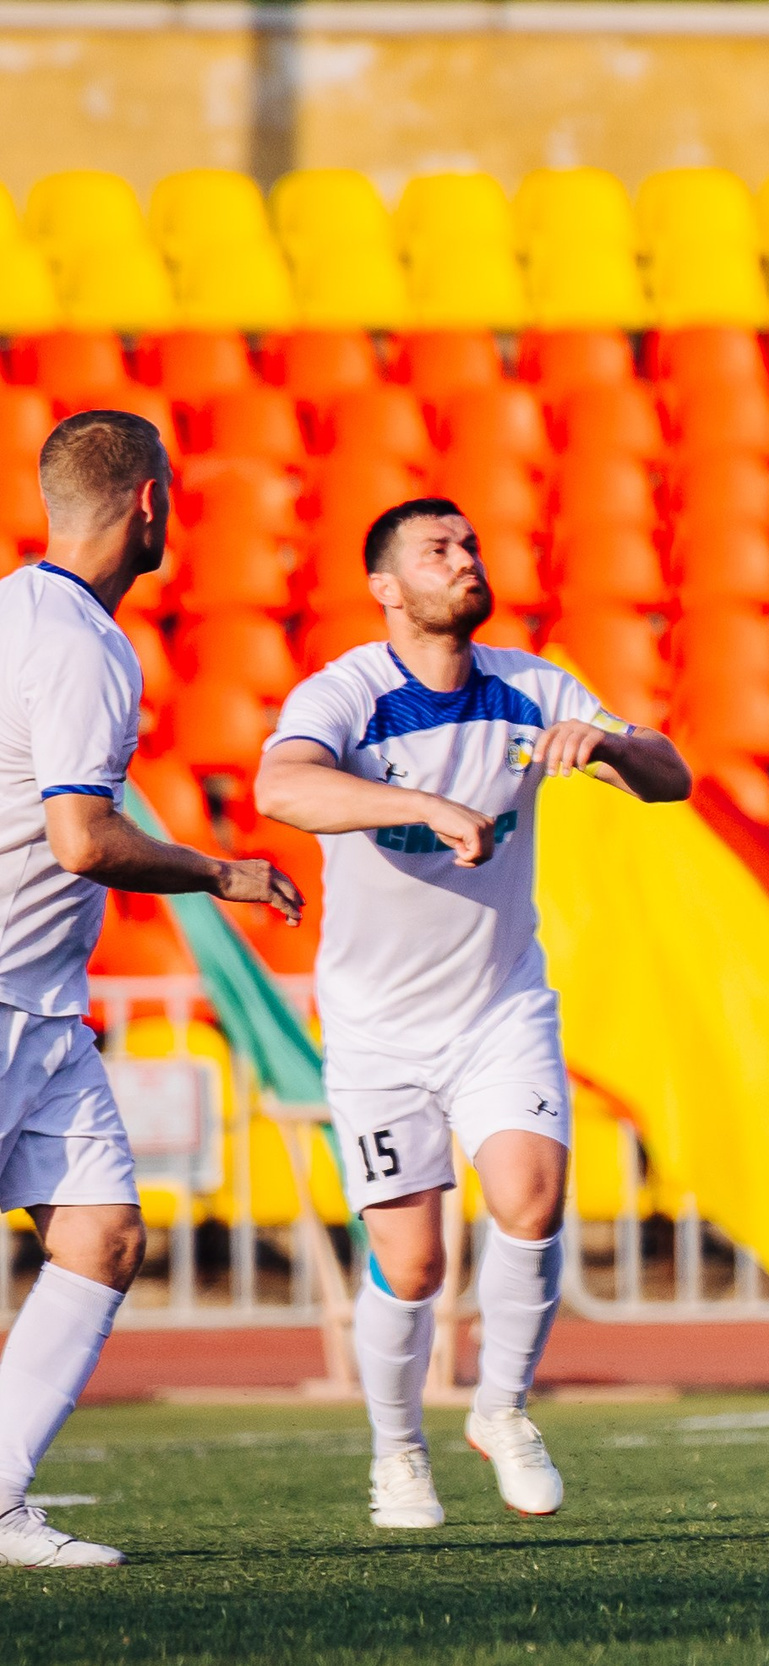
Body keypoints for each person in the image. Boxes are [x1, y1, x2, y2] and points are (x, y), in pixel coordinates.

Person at [255, 498, 690, 1529]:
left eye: (470, 544)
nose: (465, 559)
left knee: (532, 1198)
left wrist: (617, 748)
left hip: (499, 1003)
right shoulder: (348, 691)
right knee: (413, 1261)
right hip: (374, 1024)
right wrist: (422, 804)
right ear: (387, 588)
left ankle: (501, 1408)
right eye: (437, 549)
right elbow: (281, 785)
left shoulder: (531, 684)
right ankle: (396, 1451)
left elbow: (671, 777)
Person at [0, 410, 303, 1567]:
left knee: (101, 1234)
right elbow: (81, 836)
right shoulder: (80, 640)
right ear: (146, 504)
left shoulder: (14, 612)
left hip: (42, 1003)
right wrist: (221, 870)